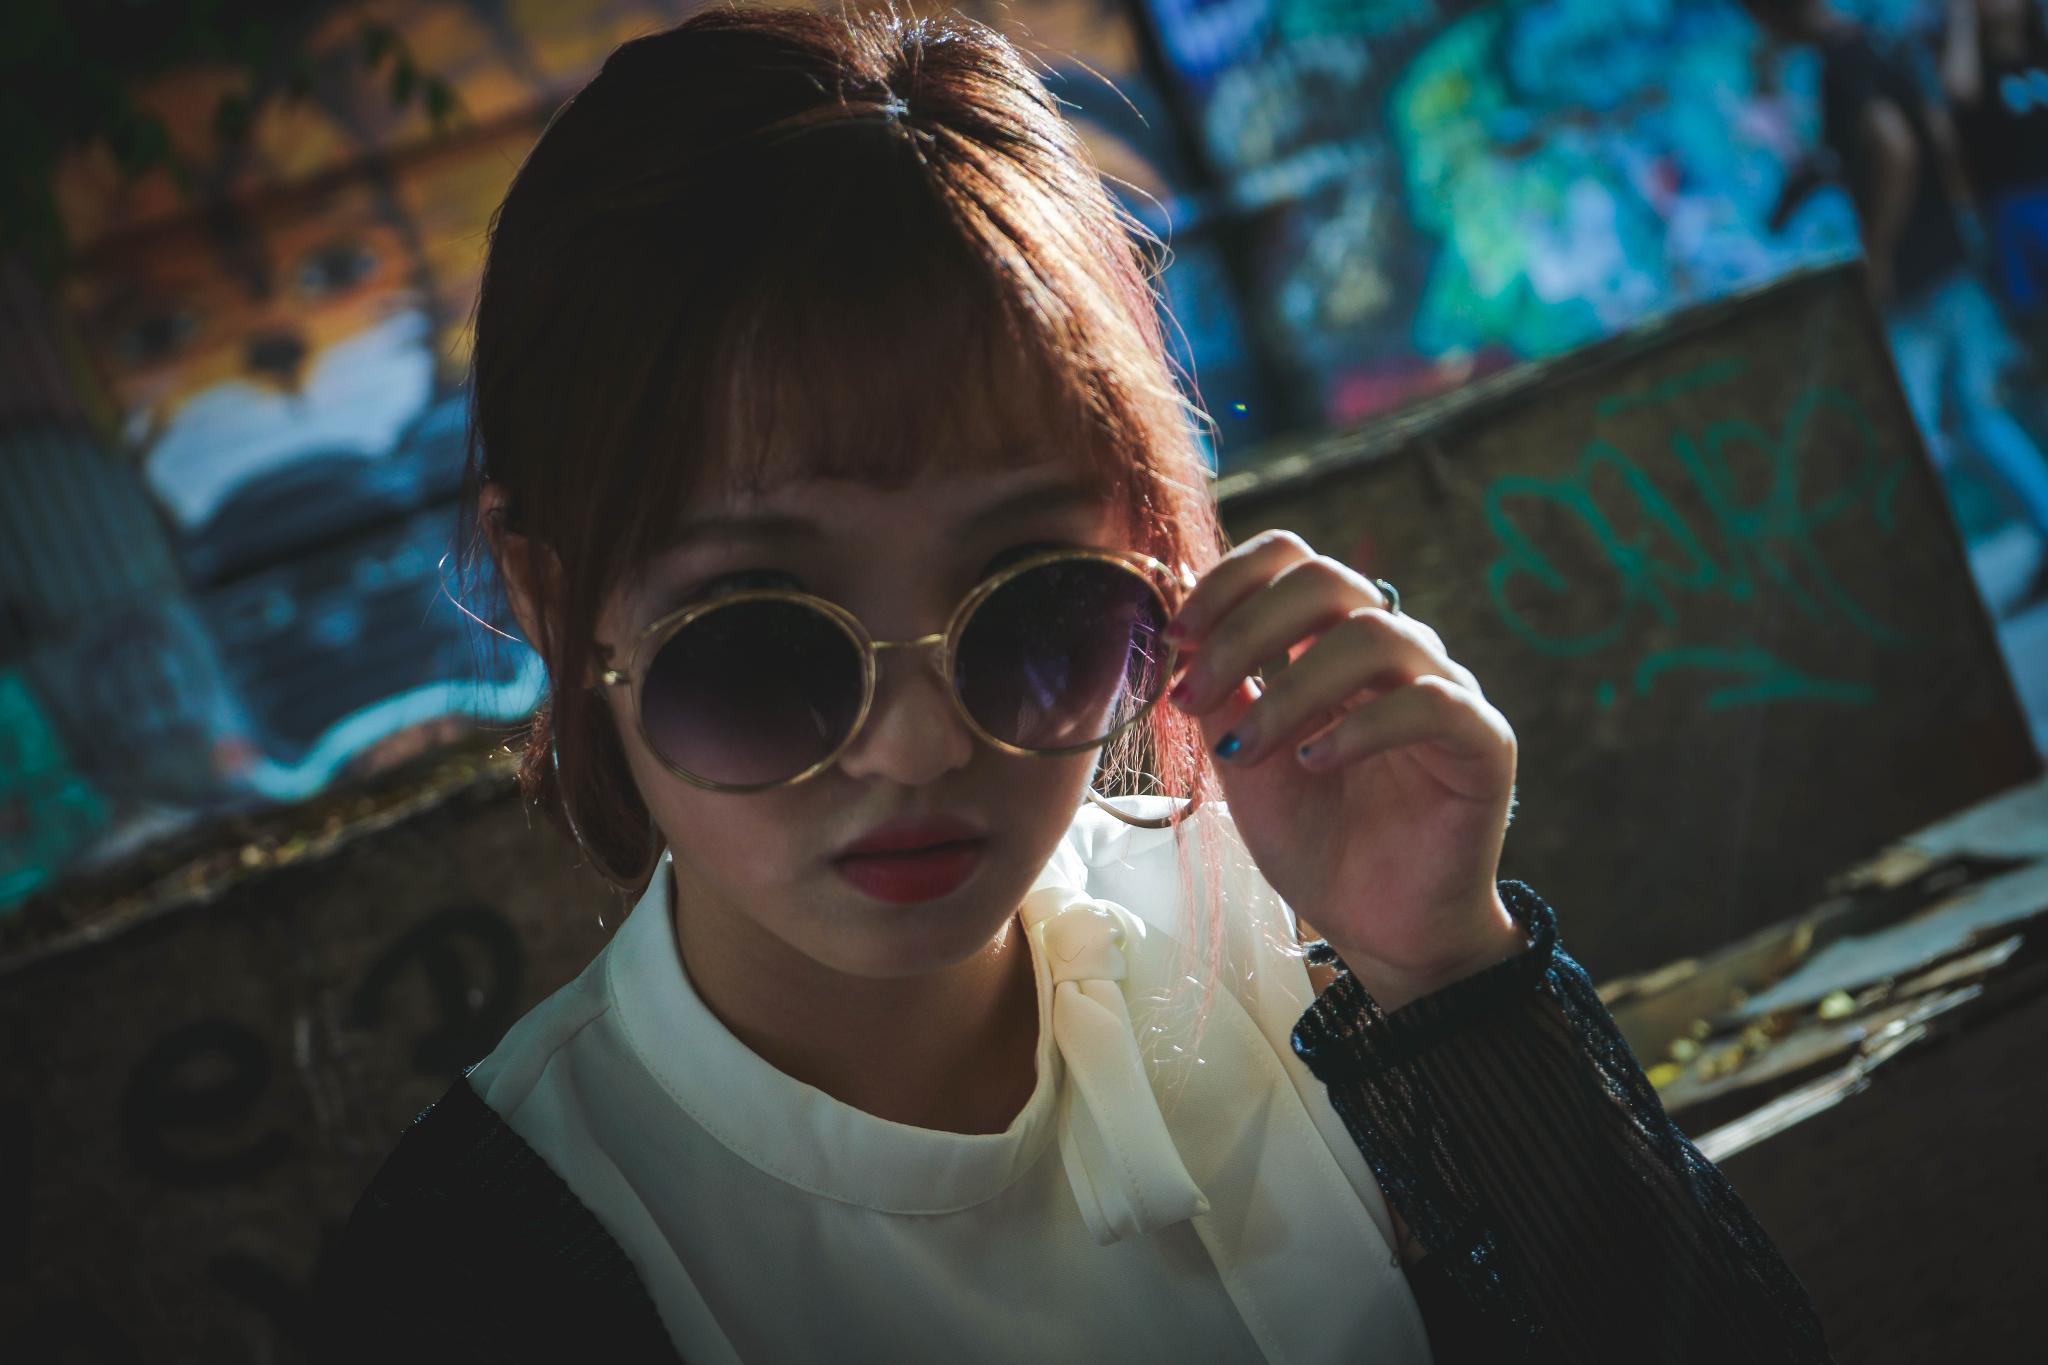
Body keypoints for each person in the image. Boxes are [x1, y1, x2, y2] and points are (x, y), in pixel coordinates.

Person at [317, 4, 1835, 1361]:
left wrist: (1448, 976)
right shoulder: (490, 1275)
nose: (920, 745)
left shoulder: (1295, 942)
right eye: (764, 643)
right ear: (551, 594)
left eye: (1030, 609)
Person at [1747, 0, 2048, 615]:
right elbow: (1935, 134)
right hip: (1946, 255)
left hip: (1914, 275)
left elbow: (1896, 144)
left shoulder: (1842, 63)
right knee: (1974, 416)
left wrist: (1880, 251)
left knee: (1903, 432)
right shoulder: (1878, 44)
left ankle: (1916, 600)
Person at [1942, 0, 2048, 335]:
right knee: (2033, 323)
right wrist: (1961, 18)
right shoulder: (1977, 69)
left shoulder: (2040, 55)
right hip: (2008, 209)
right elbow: (1958, 89)